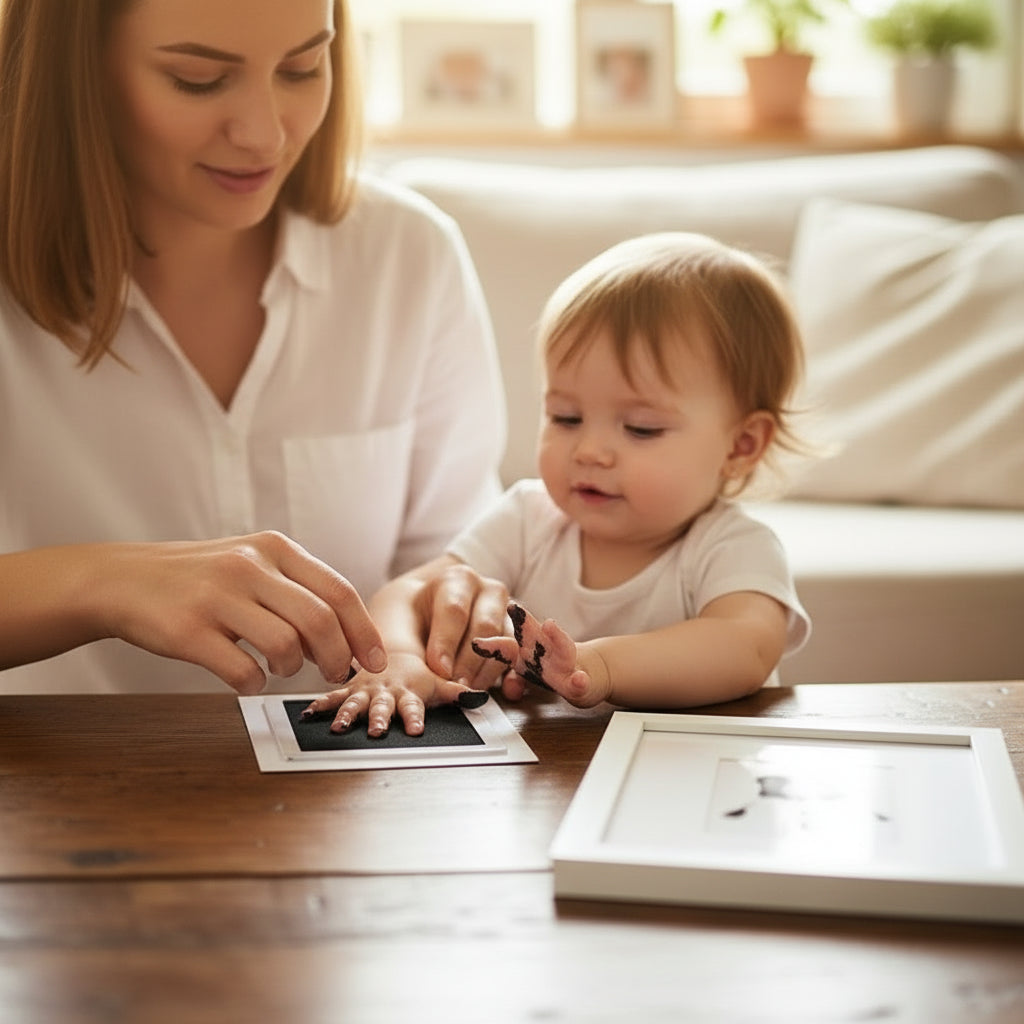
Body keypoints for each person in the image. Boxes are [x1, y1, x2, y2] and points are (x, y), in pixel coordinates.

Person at [0, 0, 510, 699]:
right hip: (55, 767)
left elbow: (454, 556)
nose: (265, 134)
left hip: (363, 764)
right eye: (198, 80)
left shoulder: (407, 256)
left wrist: (446, 615)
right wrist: (104, 583)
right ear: (75, 72)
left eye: (302, 68)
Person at [304, 232, 811, 735]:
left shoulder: (732, 545)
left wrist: (599, 666)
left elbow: (744, 646)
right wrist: (398, 658)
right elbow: (411, 590)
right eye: (566, 417)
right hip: (553, 771)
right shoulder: (529, 519)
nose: (589, 451)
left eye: (640, 428)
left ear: (742, 445)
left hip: (689, 767)